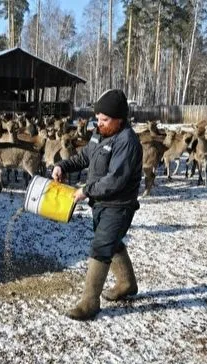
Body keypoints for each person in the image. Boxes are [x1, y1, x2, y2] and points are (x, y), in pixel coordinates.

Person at [52, 89, 143, 321]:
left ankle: (89, 303)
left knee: (101, 246)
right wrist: (63, 165)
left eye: (104, 119)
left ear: (119, 119)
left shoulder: (127, 142)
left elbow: (116, 180)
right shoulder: (99, 134)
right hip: (100, 203)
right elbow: (85, 158)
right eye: (97, 119)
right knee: (110, 241)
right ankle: (127, 283)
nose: (99, 123)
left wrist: (86, 190)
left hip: (118, 205)